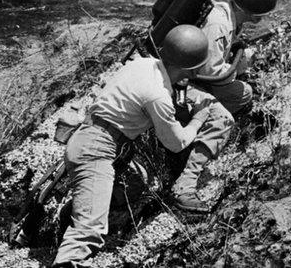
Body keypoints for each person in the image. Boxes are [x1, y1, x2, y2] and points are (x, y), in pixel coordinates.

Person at [52, 25, 214, 268]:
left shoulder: (142, 64)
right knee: (89, 231)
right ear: (188, 69)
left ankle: (73, 213)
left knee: (137, 180)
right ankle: (68, 260)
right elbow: (176, 143)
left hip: (91, 139)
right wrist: (199, 118)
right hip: (97, 150)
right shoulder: (158, 96)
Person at [171, 0, 278, 213]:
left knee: (244, 94)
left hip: (188, 76)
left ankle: (197, 127)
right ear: (255, 13)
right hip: (180, 82)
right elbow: (211, 71)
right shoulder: (220, 23)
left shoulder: (227, 16)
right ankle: (184, 186)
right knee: (223, 119)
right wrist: (236, 68)